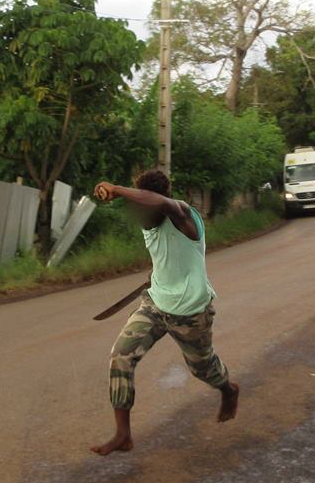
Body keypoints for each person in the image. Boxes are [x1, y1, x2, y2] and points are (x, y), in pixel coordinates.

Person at [90, 170, 240, 456]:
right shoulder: (149, 222)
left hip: (191, 312)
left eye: (144, 205)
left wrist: (117, 188)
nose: (140, 213)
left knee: (202, 369)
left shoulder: (183, 216)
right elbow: (165, 254)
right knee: (121, 355)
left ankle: (228, 389)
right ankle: (123, 435)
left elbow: (160, 204)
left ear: (160, 201)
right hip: (156, 304)